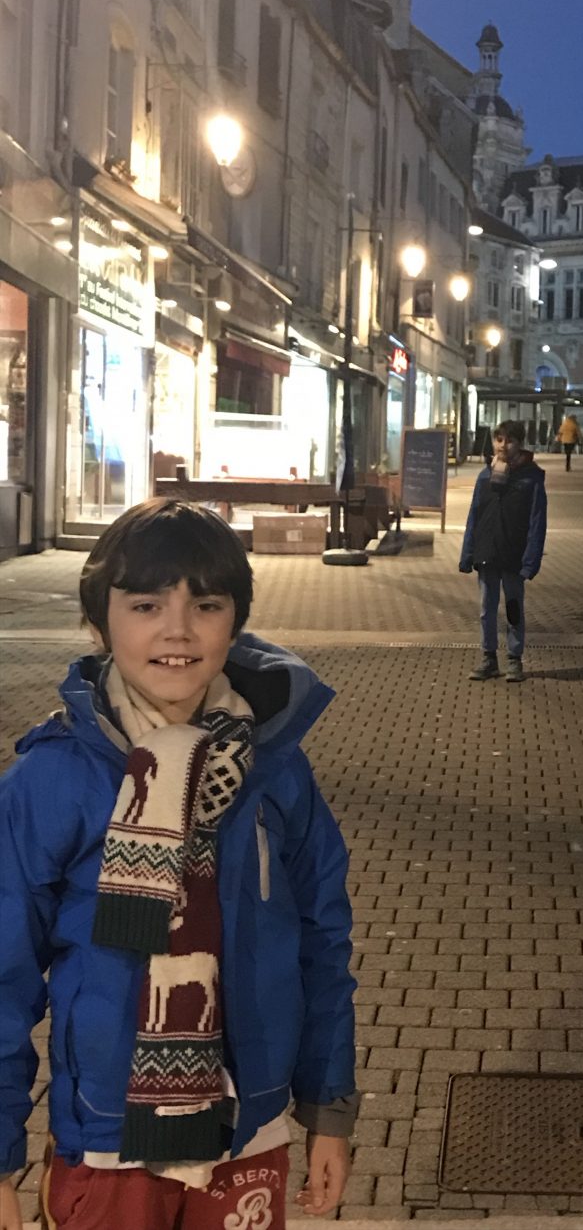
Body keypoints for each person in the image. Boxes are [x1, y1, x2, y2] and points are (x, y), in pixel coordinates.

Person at [0, 499, 357, 1230]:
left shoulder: (274, 774)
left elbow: (323, 943)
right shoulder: (55, 779)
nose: (177, 628)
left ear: (236, 622)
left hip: (249, 1128)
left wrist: (329, 1108)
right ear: (100, 623)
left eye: (206, 603)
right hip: (107, 1141)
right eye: (145, 604)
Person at [459, 420, 547, 683]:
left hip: (513, 554)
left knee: (512, 607)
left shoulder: (531, 478)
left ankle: (513, 658)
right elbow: (474, 515)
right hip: (487, 551)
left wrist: (530, 561)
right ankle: (488, 657)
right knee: (486, 608)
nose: (502, 445)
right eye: (499, 439)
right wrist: (468, 552)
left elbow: (537, 522)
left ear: (519, 443)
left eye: (509, 440)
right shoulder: (485, 476)